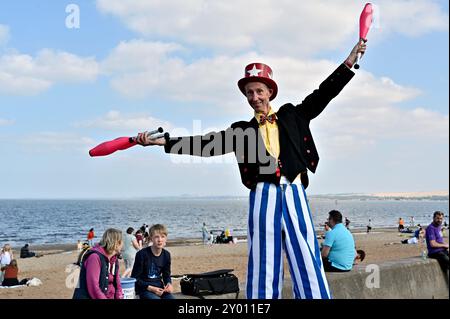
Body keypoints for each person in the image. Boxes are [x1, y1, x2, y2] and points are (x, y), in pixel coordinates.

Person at [136, 41, 367, 299]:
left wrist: (348, 63)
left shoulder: (294, 115)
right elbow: (206, 144)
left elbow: (324, 93)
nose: (254, 97)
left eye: (259, 91)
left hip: (294, 192)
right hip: (263, 195)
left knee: (307, 257)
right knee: (263, 261)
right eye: (249, 93)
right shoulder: (242, 130)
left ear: (270, 91)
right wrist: (165, 142)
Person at [72, 228, 124, 299]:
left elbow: (118, 284)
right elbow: (93, 287)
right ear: (116, 243)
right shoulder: (94, 258)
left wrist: (119, 296)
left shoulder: (114, 259)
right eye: (121, 242)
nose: (123, 244)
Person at [131, 224, 174, 299]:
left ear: (166, 239)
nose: (160, 240)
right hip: (144, 289)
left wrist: (169, 284)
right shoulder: (141, 254)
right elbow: (135, 278)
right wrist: (150, 288)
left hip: (159, 288)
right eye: (156, 237)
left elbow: (166, 275)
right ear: (151, 238)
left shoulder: (166, 255)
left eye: (162, 237)